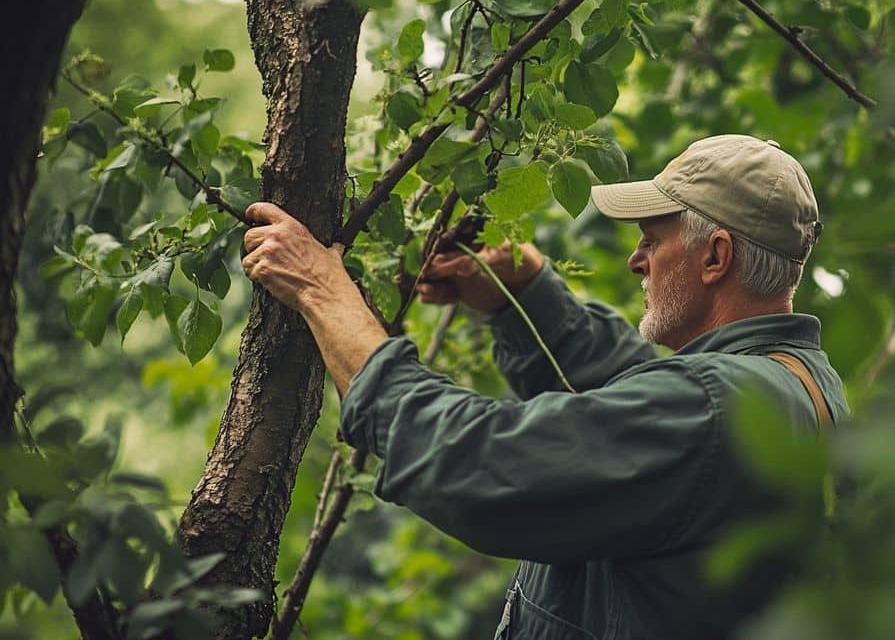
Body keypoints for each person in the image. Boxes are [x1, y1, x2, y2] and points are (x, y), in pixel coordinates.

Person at [241, 134, 849, 639]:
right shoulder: (795, 382)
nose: (639, 260)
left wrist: (325, 293)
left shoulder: (713, 408)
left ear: (715, 258)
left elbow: (478, 465)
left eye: (652, 239)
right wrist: (520, 291)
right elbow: (630, 394)